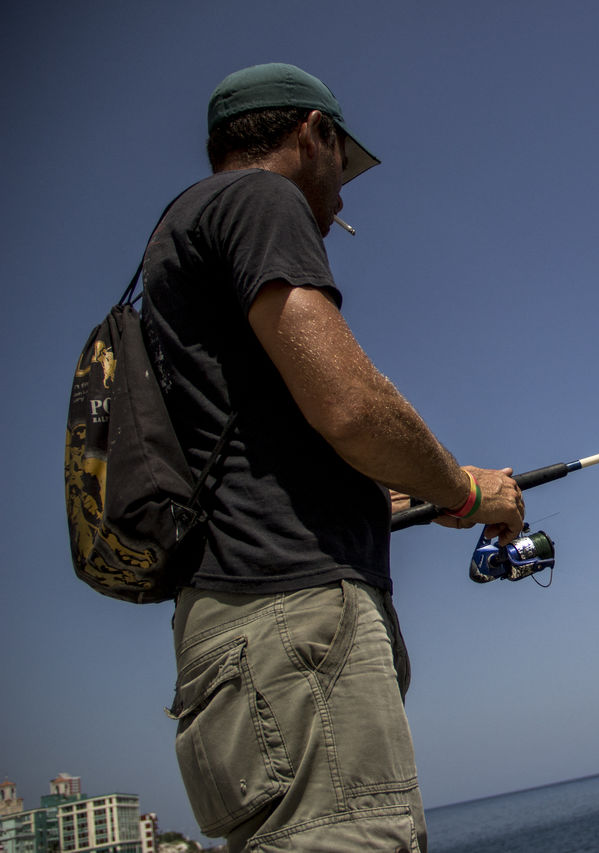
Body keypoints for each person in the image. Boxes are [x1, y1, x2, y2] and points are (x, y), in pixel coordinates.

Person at [144, 63, 524, 852]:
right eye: (342, 166)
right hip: (290, 625)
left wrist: (376, 499)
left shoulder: (176, 240)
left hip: (233, 634)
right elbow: (349, 404)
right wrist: (465, 492)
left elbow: (250, 448)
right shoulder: (260, 198)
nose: (343, 197)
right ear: (314, 134)